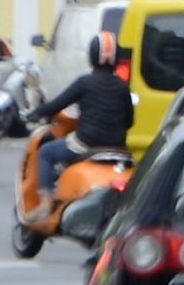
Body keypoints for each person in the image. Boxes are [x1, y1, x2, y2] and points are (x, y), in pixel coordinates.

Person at [32, 33, 134, 198]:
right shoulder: (123, 87)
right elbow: (129, 122)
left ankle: (46, 202)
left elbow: (56, 105)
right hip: (117, 147)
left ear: (91, 56)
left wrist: (36, 112)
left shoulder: (84, 82)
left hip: (86, 144)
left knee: (46, 153)